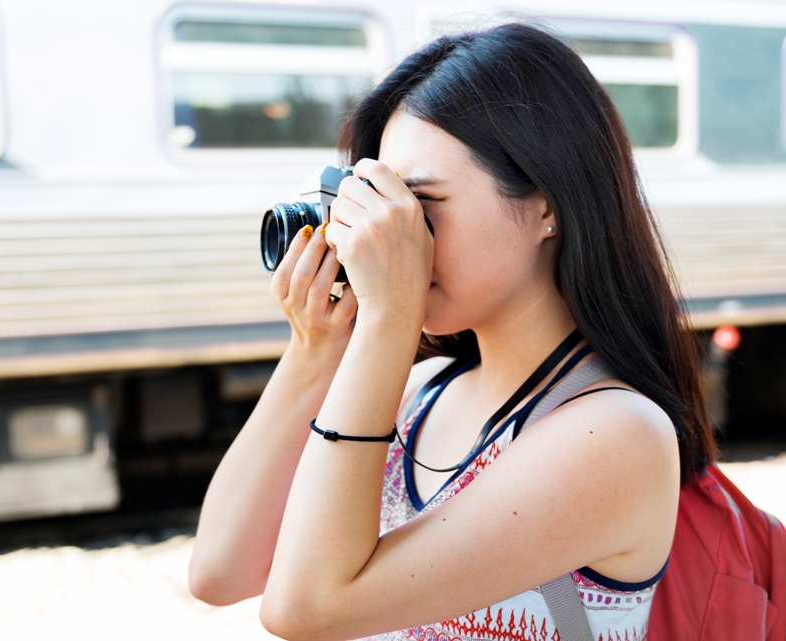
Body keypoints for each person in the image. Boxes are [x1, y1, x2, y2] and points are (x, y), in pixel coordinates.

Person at [188, 22, 716, 641]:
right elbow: (221, 573)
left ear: (547, 204)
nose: (389, 237)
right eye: (379, 206)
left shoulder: (616, 434)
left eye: (418, 203)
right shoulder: (422, 389)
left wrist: (387, 320)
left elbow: (306, 609)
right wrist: (315, 350)